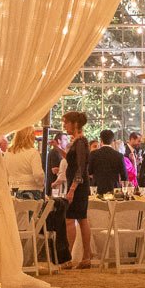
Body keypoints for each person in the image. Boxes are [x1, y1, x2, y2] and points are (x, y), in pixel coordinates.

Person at [60, 111, 96, 268]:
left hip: (78, 186)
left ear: (74, 124)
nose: (64, 126)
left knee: (70, 220)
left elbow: (80, 167)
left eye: (66, 122)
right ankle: (86, 257)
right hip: (79, 185)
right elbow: (74, 162)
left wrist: (72, 188)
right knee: (81, 219)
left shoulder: (80, 143)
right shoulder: (78, 142)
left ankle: (69, 258)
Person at [3, 128, 44, 198]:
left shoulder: (8, 153)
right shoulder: (33, 153)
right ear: (30, 137)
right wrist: (41, 184)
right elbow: (38, 175)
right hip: (31, 191)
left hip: (12, 190)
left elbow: (5, 174)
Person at [88, 127, 127, 194]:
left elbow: (89, 171)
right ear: (112, 141)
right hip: (114, 188)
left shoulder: (93, 154)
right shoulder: (119, 155)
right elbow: (124, 176)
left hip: (97, 187)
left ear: (101, 140)